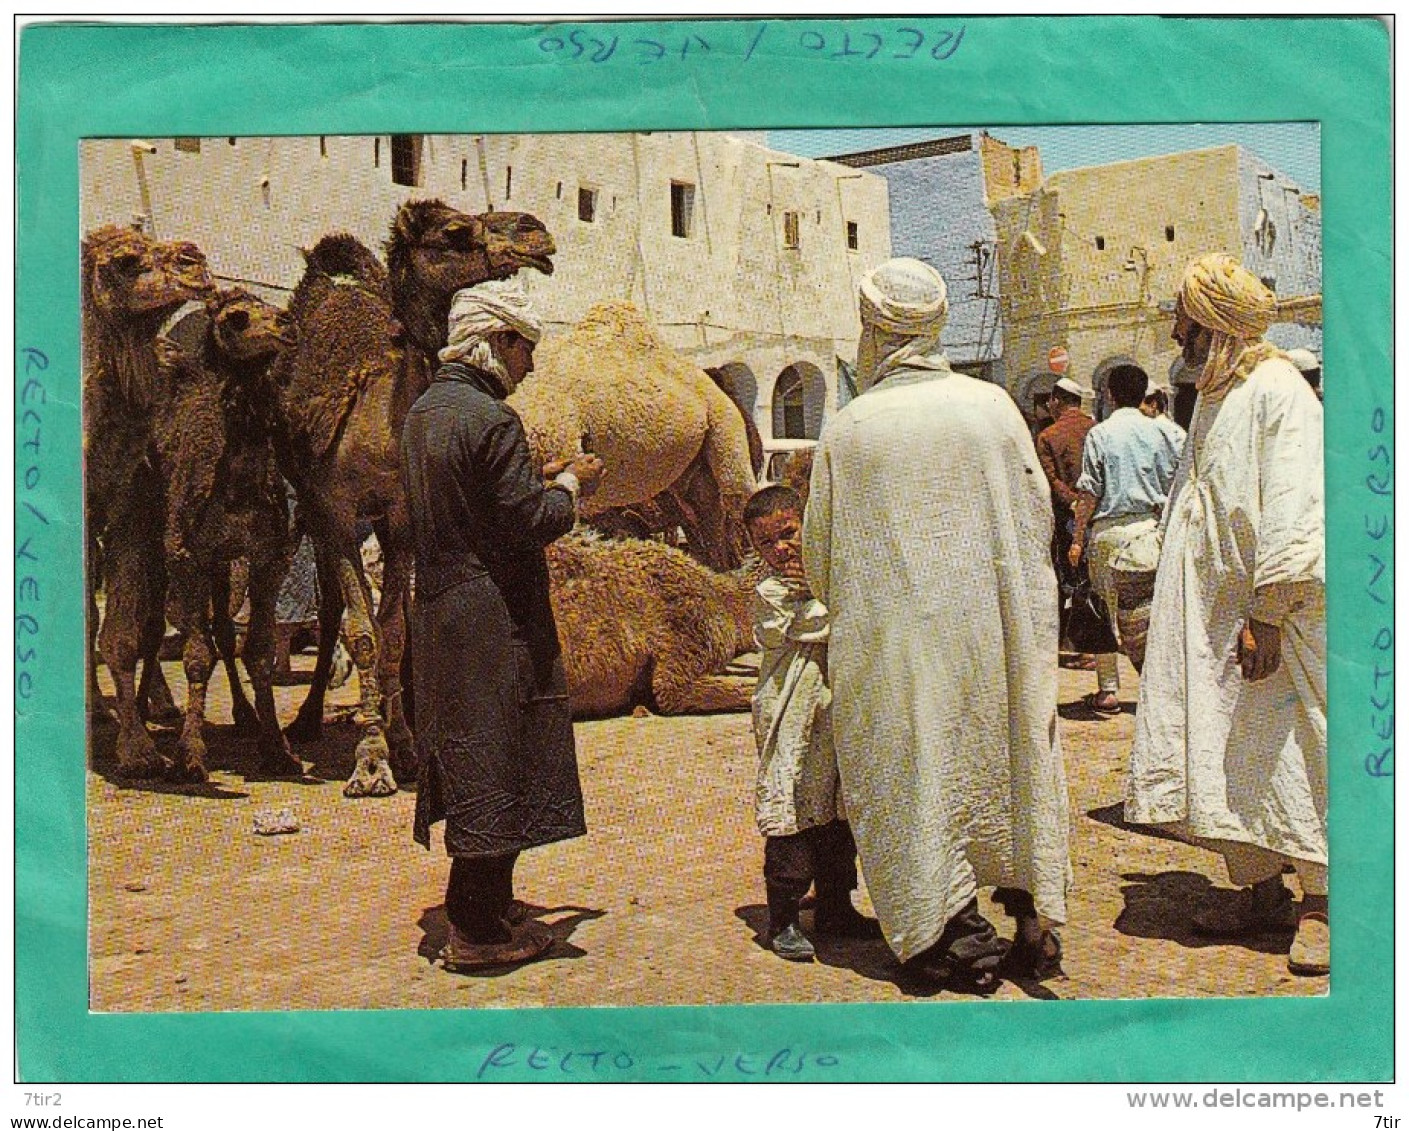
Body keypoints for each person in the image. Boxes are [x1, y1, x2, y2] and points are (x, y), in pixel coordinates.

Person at [802, 258, 1071, 990]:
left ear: (872, 328)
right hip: (994, 633)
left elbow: (820, 558)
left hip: (896, 648)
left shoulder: (850, 428)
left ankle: (945, 934)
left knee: (914, 772)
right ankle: (1030, 919)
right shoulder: (991, 407)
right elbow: (1032, 519)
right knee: (1005, 758)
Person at [1125, 253, 1327, 976]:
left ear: (1213, 324)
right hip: (1212, 617)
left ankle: (1320, 904)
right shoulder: (1213, 392)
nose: (1175, 329)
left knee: (1291, 751)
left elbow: (1297, 510)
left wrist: (1267, 612)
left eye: (1184, 317)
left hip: (1272, 618)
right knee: (1226, 748)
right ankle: (1260, 887)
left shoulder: (1280, 393)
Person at [401, 279, 605, 971]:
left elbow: (476, 499)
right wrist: (571, 485)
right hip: (493, 617)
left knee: (468, 751)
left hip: (440, 612)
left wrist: (535, 478)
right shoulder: (492, 419)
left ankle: (488, 903)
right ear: (499, 340)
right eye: (527, 348)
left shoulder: (426, 410)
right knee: (497, 753)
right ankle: (476, 929)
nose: (531, 366)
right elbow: (526, 521)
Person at [744, 484, 879, 963]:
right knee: (793, 813)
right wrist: (831, 591)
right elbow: (822, 623)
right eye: (768, 543)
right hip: (792, 718)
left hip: (832, 713)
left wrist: (827, 582)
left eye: (789, 534)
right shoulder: (771, 592)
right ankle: (781, 919)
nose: (781, 549)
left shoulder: (826, 579)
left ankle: (836, 906)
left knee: (837, 814)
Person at [1068, 367, 1183, 713]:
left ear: (1110, 395)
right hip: (1153, 531)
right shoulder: (1166, 432)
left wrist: (1077, 538)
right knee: (1155, 616)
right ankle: (1161, 688)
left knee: (1103, 611)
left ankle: (1108, 691)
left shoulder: (1100, 434)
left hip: (1110, 534)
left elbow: (1089, 491)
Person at [1035, 375, 1096, 669]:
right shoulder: (1096, 429)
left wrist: (1072, 502)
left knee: (1069, 580)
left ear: (1056, 401)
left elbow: (1049, 478)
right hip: (1096, 512)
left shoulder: (1048, 436)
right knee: (1091, 580)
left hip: (1067, 518)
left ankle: (1076, 646)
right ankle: (1092, 647)